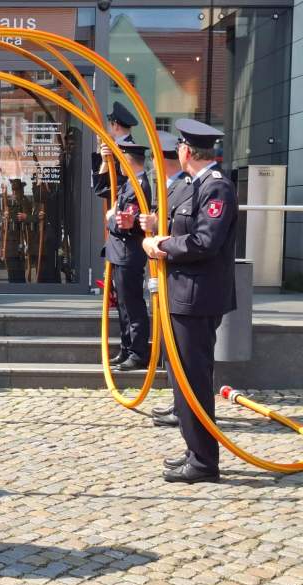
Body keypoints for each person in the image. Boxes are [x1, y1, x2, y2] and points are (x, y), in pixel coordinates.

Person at [142, 118, 237, 484]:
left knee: (193, 380)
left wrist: (160, 246)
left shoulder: (217, 188)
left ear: (185, 151)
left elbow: (203, 242)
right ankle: (194, 450)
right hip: (183, 296)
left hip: (196, 299)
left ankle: (203, 461)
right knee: (183, 380)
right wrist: (156, 229)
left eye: (179, 147)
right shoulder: (194, 186)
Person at [140, 130, 189, 428]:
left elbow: (190, 234)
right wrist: (154, 222)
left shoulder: (185, 186)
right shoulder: (170, 186)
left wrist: (159, 240)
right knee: (174, 354)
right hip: (171, 280)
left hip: (183, 282)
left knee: (186, 356)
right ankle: (179, 405)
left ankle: (185, 409)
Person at [99, 137, 152, 371]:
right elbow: (103, 189)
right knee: (122, 304)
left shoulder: (139, 186)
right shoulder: (130, 183)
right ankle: (126, 347)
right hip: (120, 252)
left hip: (129, 252)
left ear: (128, 161)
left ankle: (138, 351)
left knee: (132, 304)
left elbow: (123, 224)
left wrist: (111, 217)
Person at [91, 101, 138, 195]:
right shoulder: (117, 146)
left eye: (109, 124)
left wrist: (105, 161)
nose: (107, 128)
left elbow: (101, 188)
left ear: (115, 126)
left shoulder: (127, 150)